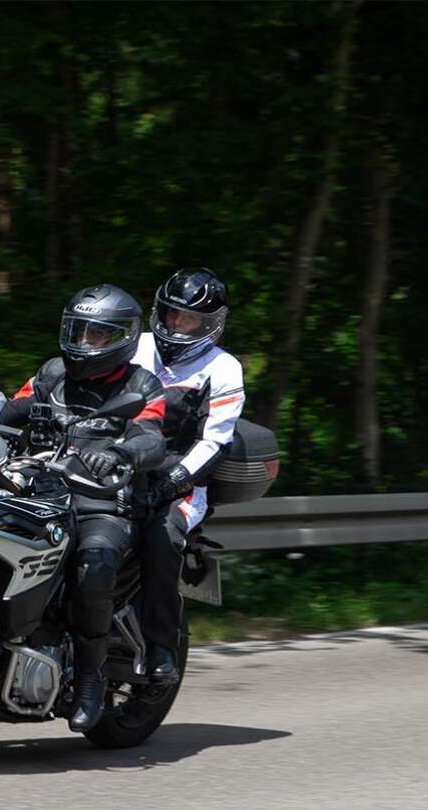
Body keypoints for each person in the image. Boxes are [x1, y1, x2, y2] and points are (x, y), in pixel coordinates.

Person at [0, 285, 166, 732]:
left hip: (101, 500)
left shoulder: (141, 385)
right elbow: (8, 409)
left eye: (96, 336)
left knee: (94, 565)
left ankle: (91, 677)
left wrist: (122, 454)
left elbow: (150, 434)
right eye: (77, 331)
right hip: (38, 487)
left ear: (122, 339)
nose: (83, 343)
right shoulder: (53, 373)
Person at [132, 267, 245, 687]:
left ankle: (160, 645)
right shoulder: (135, 346)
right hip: (111, 467)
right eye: (170, 314)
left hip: (178, 484)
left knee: (162, 535)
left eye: (189, 319)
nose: (176, 325)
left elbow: (215, 441)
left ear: (210, 324)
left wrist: (174, 478)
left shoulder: (223, 368)